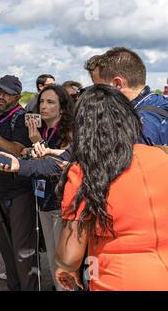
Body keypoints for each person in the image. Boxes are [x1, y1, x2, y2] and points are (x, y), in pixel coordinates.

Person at [53, 85, 168, 291]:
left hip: (118, 280)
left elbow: (70, 256)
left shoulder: (84, 171)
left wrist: (64, 266)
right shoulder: (161, 157)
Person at [0, 75, 38, 291]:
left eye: (5, 93)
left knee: (23, 250)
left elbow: (18, 150)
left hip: (19, 191)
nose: (0, 96)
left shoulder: (22, 118)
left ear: (17, 97)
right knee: (6, 249)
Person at [25, 84, 74, 290]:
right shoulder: (42, 128)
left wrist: (39, 144)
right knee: (53, 258)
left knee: (62, 260)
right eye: (41, 102)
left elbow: (62, 163)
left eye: (50, 102)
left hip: (61, 203)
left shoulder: (69, 131)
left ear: (62, 108)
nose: (43, 106)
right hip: (43, 201)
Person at [85, 47, 168, 145]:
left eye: (99, 88)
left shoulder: (136, 125)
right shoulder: (159, 103)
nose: (96, 94)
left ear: (117, 84)